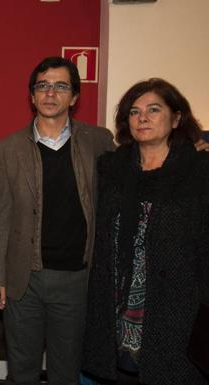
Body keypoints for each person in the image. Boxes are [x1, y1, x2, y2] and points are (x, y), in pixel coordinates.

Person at [0, 57, 114, 385]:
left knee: (65, 372)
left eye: (60, 86)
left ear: (74, 97)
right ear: (32, 96)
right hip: (23, 280)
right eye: (42, 86)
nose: (50, 93)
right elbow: (1, 215)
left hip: (75, 280)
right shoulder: (8, 148)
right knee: (22, 371)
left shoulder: (99, 142)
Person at [82, 78, 209, 385]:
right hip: (116, 302)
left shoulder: (199, 170)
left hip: (178, 308)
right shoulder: (110, 169)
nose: (143, 118)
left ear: (177, 118)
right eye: (135, 112)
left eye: (154, 109)